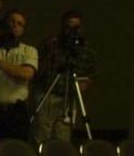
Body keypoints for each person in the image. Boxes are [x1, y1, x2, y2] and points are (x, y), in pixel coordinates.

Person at [32, 9, 96, 142]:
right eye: (68, 27)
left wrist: (85, 84)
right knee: (41, 137)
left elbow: (90, 74)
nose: (72, 31)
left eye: (76, 27)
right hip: (48, 94)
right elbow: (37, 69)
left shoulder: (86, 51)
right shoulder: (51, 44)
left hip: (69, 100)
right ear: (62, 28)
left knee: (63, 139)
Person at [0, 9, 38, 140]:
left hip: (16, 111)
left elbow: (26, 74)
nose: (15, 26)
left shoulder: (29, 51)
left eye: (19, 24)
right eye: (12, 22)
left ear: (23, 30)